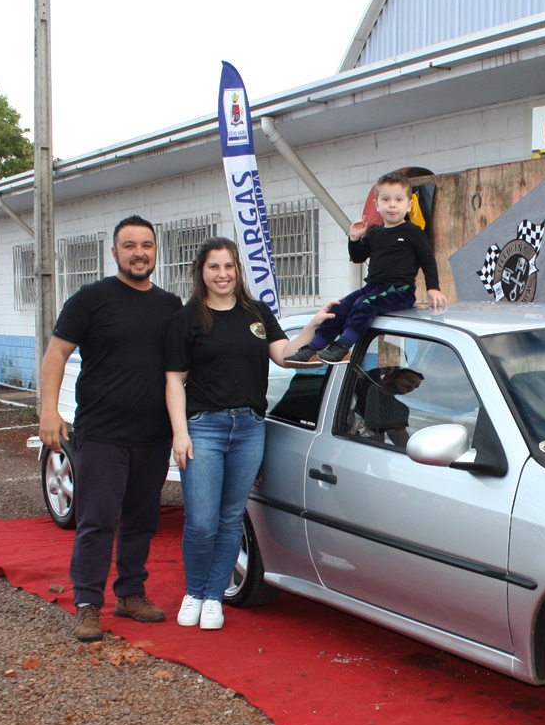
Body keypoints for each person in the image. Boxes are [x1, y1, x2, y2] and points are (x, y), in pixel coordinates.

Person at [164, 238, 336, 630]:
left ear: (237, 269)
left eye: (229, 266)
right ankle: (194, 592)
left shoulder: (256, 313)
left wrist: (313, 326)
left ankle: (213, 597)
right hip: (204, 429)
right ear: (201, 271)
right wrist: (180, 433)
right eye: (214, 267)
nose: (222, 274)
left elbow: (285, 356)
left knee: (230, 519)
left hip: (249, 429)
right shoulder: (188, 318)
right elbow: (174, 380)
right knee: (201, 522)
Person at [39, 215, 182, 642]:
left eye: (146, 245)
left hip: (153, 435)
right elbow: (56, 353)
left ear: (156, 251)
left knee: (142, 520)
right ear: (115, 252)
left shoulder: (170, 305)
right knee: (97, 520)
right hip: (102, 433)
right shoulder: (91, 299)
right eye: (130, 245)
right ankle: (87, 604)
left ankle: (131, 594)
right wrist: (49, 410)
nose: (139, 253)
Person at [287, 171, 447, 366]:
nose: (392, 205)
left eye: (398, 200)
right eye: (386, 199)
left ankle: (344, 345)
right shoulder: (375, 233)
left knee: (365, 305)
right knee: (340, 307)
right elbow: (358, 257)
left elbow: (428, 260)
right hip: (372, 287)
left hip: (399, 290)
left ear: (409, 204)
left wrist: (433, 288)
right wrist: (354, 238)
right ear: (376, 204)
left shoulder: (413, 232)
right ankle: (314, 347)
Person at [348, 366, 424, 448]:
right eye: (410, 381)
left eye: (416, 386)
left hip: (372, 448)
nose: (411, 387)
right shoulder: (365, 383)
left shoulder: (400, 409)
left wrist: (414, 450)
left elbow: (400, 437)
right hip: (348, 439)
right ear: (392, 376)